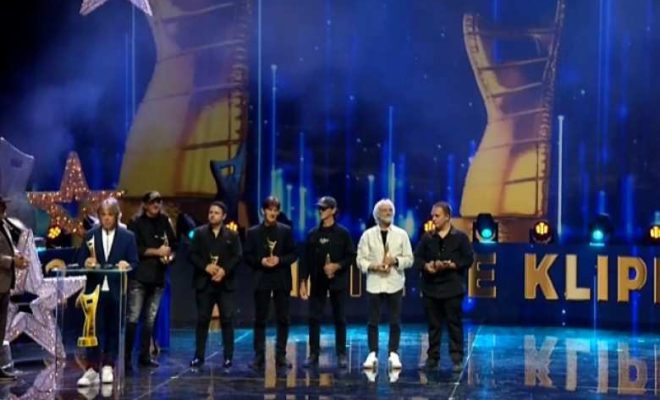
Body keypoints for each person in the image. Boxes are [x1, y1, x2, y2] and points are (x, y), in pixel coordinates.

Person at [76, 197, 139, 386]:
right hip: (94, 290)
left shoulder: (128, 237)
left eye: (110, 215)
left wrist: (127, 264)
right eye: (103, 215)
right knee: (92, 329)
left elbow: (135, 262)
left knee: (113, 328)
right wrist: (86, 262)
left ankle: (108, 366)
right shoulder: (90, 235)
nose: (106, 218)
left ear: (117, 216)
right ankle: (92, 369)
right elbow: (80, 259)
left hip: (116, 289)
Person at [414, 201, 474, 372]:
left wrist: (452, 265)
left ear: (447, 217)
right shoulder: (427, 238)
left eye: (437, 215)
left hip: (452, 288)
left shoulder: (460, 238)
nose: (433, 219)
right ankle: (433, 358)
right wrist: (427, 266)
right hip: (431, 288)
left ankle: (457, 358)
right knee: (433, 325)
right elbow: (416, 258)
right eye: (432, 216)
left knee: (454, 324)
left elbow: (468, 259)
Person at [356, 199, 413, 371]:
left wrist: (395, 260)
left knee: (395, 320)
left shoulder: (401, 234)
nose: (388, 213)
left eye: (390, 210)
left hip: (394, 282)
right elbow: (360, 260)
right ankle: (372, 353)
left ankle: (393, 353)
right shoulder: (367, 235)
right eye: (384, 210)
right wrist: (373, 266)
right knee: (372, 321)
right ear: (377, 215)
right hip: (374, 283)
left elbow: (409, 259)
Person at [299, 196, 356, 369]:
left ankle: (341, 353)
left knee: (340, 318)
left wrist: (337, 266)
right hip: (318, 281)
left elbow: (351, 256)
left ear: (333, 210)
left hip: (337, 281)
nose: (320, 211)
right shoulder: (313, 234)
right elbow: (305, 260)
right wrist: (303, 281)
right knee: (314, 317)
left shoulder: (343, 233)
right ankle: (313, 353)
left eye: (324, 208)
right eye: (319, 208)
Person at [244, 196, 297, 370]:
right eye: (270, 210)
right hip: (262, 279)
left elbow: (293, 254)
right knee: (260, 318)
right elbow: (247, 256)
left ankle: (280, 355)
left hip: (281, 279)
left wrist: (279, 260)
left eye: (275, 210)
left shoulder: (285, 231)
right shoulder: (253, 232)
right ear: (263, 211)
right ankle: (259, 356)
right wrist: (261, 261)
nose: (273, 213)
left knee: (283, 318)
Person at [125, 191, 177, 369]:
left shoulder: (164, 221)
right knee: (133, 317)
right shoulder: (135, 223)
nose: (156, 205)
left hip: (158, 277)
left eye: (159, 201)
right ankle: (126, 358)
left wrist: (170, 257)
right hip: (139, 277)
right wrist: (157, 252)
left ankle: (144, 356)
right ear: (145, 204)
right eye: (153, 202)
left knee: (150, 319)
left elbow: (174, 245)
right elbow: (135, 249)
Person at [188, 201, 242, 368]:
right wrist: (206, 267)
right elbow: (192, 254)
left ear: (224, 216)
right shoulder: (199, 233)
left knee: (227, 319)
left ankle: (228, 357)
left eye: (216, 213)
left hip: (225, 284)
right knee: (202, 319)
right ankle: (199, 356)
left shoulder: (232, 235)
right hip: (204, 283)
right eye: (210, 212)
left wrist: (224, 271)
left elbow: (237, 256)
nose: (212, 215)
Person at [0, 196, 28, 381]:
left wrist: (18, 257)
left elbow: (8, 248)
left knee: (1, 328)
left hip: (4, 285)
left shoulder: (4, 225)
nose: (4, 210)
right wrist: (12, 261)